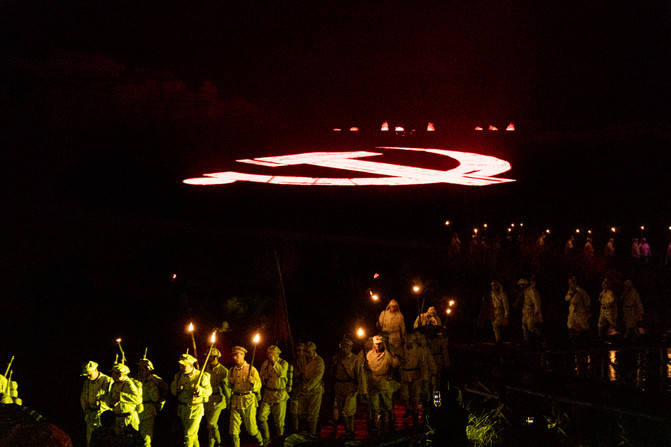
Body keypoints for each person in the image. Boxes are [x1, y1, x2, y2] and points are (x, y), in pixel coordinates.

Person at [171, 353, 212, 447]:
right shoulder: (178, 376)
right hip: (183, 409)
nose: (180, 367)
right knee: (193, 436)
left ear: (190, 365)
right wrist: (178, 389)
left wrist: (200, 391)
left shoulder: (201, 376)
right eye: (180, 365)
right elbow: (173, 391)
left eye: (183, 365)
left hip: (196, 409)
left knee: (188, 435)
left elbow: (209, 391)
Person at [330, 336, 367, 439]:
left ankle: (349, 431)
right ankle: (349, 431)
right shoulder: (337, 358)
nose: (344, 349)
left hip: (350, 387)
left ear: (350, 347)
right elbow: (332, 373)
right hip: (339, 386)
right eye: (343, 346)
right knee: (343, 410)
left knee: (348, 411)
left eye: (347, 346)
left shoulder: (355, 359)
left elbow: (360, 375)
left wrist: (362, 390)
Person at [228, 346, 263, 447]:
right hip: (235, 401)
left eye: (236, 355)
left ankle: (261, 442)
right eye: (233, 355)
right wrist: (230, 383)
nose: (234, 357)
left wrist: (253, 383)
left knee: (251, 429)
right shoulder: (232, 370)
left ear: (243, 355)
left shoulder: (251, 369)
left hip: (248, 401)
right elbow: (231, 386)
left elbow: (258, 386)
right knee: (233, 431)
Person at [366, 335, 400, 435]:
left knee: (387, 405)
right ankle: (376, 426)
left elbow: (395, 364)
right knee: (375, 406)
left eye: (379, 344)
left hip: (384, 382)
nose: (377, 346)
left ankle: (389, 423)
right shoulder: (369, 355)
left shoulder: (387, 354)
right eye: (376, 344)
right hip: (373, 383)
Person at [258, 345, 289, 444]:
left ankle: (280, 441)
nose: (269, 355)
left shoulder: (283, 363)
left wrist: (274, 362)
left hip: (279, 394)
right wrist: (265, 377)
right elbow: (262, 375)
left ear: (277, 353)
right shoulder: (266, 363)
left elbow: (281, 373)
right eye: (268, 353)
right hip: (268, 393)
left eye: (272, 353)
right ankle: (267, 438)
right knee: (261, 417)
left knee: (279, 422)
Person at [81, 361, 114, 447]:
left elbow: (112, 398)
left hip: (103, 416)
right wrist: (86, 410)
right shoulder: (87, 382)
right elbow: (83, 397)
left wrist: (101, 404)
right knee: (90, 440)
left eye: (89, 374)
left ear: (95, 370)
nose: (88, 377)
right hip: (90, 415)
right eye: (87, 375)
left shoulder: (107, 380)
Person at [136, 358, 168, 447]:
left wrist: (150, 386)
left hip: (148, 411)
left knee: (146, 437)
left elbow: (161, 395)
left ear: (148, 369)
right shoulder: (135, 379)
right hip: (136, 411)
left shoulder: (155, 380)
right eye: (139, 368)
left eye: (143, 368)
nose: (140, 371)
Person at [399, 333, 429, 426]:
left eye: (411, 342)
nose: (409, 343)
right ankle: (408, 408)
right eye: (407, 342)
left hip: (416, 375)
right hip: (405, 374)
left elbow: (422, 363)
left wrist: (423, 376)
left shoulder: (419, 351)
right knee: (405, 395)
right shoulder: (402, 350)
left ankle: (415, 411)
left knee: (415, 394)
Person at [297, 342, 324, 437]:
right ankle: (305, 432)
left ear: (314, 351)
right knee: (302, 412)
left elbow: (318, 376)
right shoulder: (303, 360)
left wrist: (308, 386)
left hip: (315, 390)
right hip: (304, 390)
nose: (306, 354)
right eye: (305, 352)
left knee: (313, 414)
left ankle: (313, 434)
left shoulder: (319, 361)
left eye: (308, 352)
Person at [204, 348, 230, 447]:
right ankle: (214, 444)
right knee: (210, 426)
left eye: (209, 356)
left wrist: (229, 402)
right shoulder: (205, 368)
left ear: (215, 357)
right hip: (207, 399)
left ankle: (218, 442)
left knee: (211, 423)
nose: (207, 358)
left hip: (218, 400)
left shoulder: (223, 371)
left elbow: (227, 389)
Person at [107, 363, 142, 434]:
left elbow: (137, 399)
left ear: (121, 374)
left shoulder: (129, 384)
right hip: (117, 419)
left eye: (114, 374)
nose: (112, 376)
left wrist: (120, 396)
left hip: (128, 419)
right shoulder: (114, 384)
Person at [565, 276, 591, 341]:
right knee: (571, 327)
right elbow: (566, 299)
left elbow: (587, 300)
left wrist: (587, 309)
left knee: (582, 328)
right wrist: (571, 294)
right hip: (572, 313)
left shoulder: (581, 291)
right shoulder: (570, 291)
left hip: (580, 313)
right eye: (569, 283)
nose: (570, 284)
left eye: (571, 283)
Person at [287, 343, 306, 433]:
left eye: (302, 350)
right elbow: (290, 376)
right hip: (295, 390)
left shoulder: (309, 361)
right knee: (294, 412)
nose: (300, 353)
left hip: (306, 391)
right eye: (298, 350)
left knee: (304, 413)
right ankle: (296, 430)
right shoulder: (293, 362)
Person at [518, 278, 542, 343]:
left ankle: (540, 338)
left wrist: (537, 311)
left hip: (531, 311)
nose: (521, 286)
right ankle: (526, 340)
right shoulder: (524, 292)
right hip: (525, 311)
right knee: (524, 326)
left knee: (530, 327)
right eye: (520, 285)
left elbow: (536, 301)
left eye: (522, 285)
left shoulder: (531, 291)